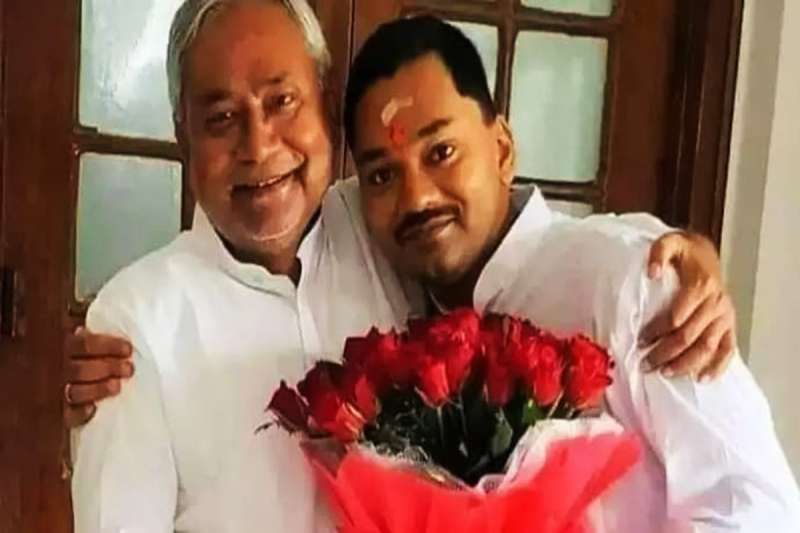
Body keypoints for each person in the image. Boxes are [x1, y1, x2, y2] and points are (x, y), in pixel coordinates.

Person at [68, 1, 737, 531]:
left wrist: (662, 251)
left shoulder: (381, 229)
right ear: (183, 134)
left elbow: (502, 229)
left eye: (281, 101)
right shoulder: (136, 323)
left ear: (324, 106)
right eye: (220, 118)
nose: (259, 144)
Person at [339, 15, 800, 530]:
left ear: (502, 149)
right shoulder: (398, 316)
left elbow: (756, 510)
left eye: (441, 152)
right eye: (382, 175)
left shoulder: (627, 279)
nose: (417, 197)